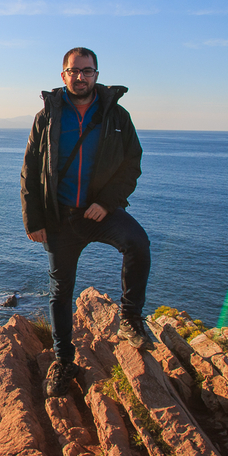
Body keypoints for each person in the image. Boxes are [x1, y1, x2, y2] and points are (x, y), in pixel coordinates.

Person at [20, 47, 151, 397]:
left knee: (137, 243)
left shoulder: (116, 116)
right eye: (74, 71)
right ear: (63, 75)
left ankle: (130, 319)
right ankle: (64, 360)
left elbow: (131, 163)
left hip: (99, 213)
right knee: (60, 292)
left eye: (87, 71)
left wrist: (107, 203)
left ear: (96, 74)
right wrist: (33, 219)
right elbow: (30, 171)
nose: (81, 77)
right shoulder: (46, 117)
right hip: (59, 218)